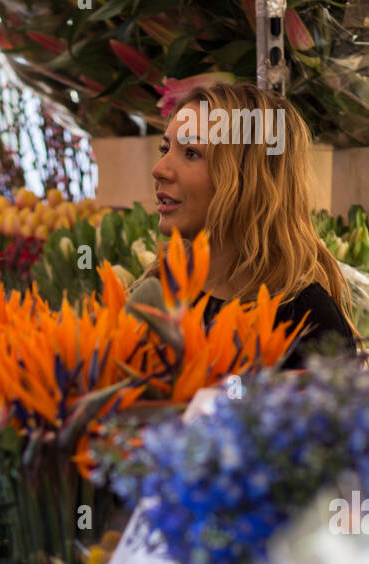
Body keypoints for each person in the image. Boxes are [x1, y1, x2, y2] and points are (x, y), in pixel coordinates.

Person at [139, 80, 359, 367]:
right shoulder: (158, 290)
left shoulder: (307, 322)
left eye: (191, 152)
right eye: (164, 149)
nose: (159, 170)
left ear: (249, 179)